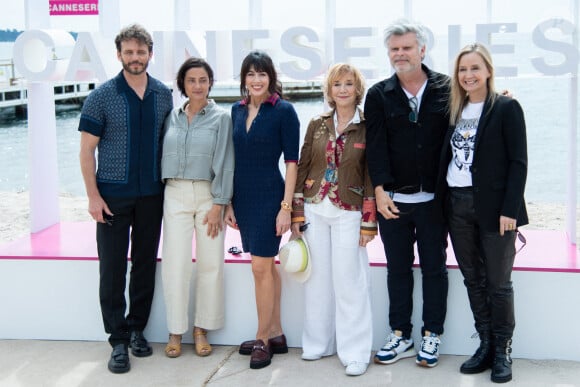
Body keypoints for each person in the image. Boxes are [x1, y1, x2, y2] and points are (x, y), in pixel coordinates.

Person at [78, 24, 173, 374]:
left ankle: (137, 330)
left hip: (152, 195)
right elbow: (86, 152)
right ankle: (117, 340)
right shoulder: (101, 96)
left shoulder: (164, 95)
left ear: (150, 53)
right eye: (129, 52)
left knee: (146, 263)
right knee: (113, 267)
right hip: (112, 197)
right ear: (118, 55)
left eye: (141, 51)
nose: (135, 58)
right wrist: (92, 197)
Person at [438, 43, 527, 383]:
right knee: (472, 279)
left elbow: (519, 163)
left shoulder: (506, 107)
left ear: (488, 70)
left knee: (499, 283)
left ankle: (503, 350)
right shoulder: (454, 111)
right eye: (462, 70)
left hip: (495, 209)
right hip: (457, 206)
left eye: (475, 68)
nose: (468, 75)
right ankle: (486, 343)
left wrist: (510, 210)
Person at [364, 19, 449, 368]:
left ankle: (432, 335)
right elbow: (376, 147)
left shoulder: (446, 88)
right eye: (394, 49)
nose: (400, 54)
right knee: (397, 269)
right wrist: (380, 190)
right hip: (394, 202)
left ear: (422, 50)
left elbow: (477, 109)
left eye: (407, 48)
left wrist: (502, 97)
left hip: (435, 203)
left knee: (434, 269)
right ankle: (400, 334)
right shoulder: (378, 94)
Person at [290, 63, 377, 376]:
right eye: (337, 83)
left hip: (350, 211)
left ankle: (355, 352)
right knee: (317, 281)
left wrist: (369, 222)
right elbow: (302, 167)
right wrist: (296, 211)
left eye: (349, 83)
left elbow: (371, 174)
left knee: (349, 281)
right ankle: (318, 344)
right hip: (315, 208)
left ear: (357, 89)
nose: (342, 89)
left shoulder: (368, 125)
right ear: (329, 90)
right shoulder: (317, 123)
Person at [224, 50, 300, 369]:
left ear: (271, 77)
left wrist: (286, 208)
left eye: (262, 74)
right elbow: (230, 159)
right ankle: (277, 333)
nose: (256, 80)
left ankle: (262, 339)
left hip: (271, 198)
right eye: (250, 74)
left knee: (259, 268)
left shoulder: (284, 111)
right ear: (244, 79)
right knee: (265, 268)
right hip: (242, 198)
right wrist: (228, 201)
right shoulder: (236, 111)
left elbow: (292, 163)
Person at [160, 57, 234, 359]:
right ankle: (175, 330)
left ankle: (202, 329)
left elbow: (226, 162)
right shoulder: (172, 116)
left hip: (208, 195)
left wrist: (219, 203)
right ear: (183, 84)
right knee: (175, 264)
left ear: (210, 83)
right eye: (191, 80)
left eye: (203, 80)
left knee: (210, 264)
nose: (198, 86)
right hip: (174, 192)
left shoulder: (221, 118)